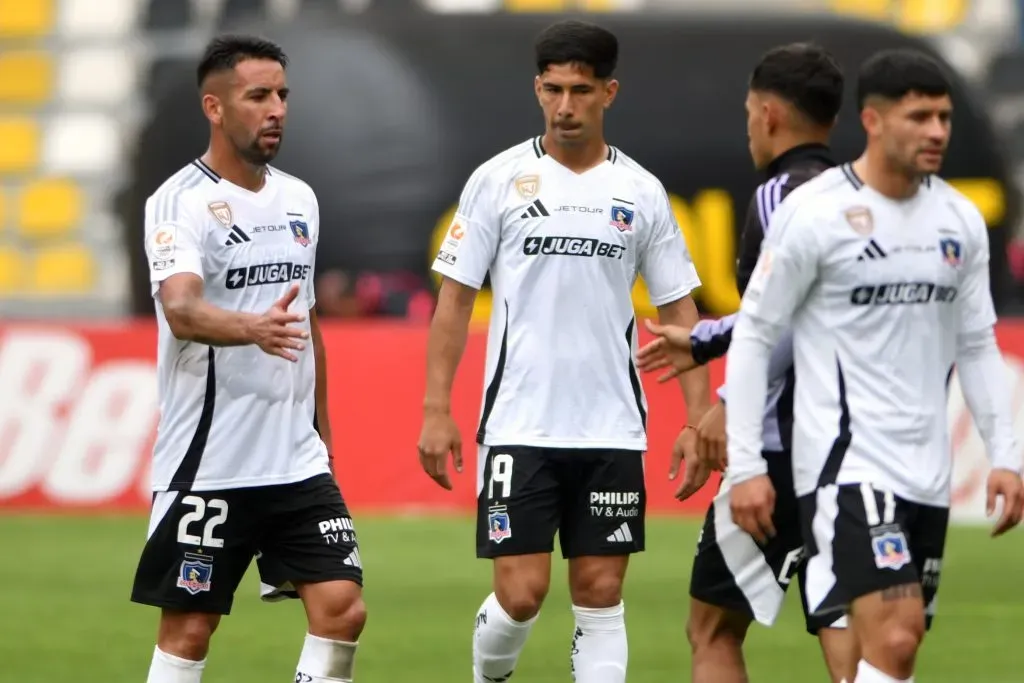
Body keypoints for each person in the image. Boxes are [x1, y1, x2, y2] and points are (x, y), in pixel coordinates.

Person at [415, 19, 711, 683]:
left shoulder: (641, 192)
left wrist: (697, 418)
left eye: (581, 90)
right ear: (537, 89)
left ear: (609, 92)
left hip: (611, 427)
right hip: (519, 424)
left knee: (601, 592)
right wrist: (436, 408)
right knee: (521, 594)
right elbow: (454, 301)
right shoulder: (498, 180)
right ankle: (489, 675)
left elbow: (678, 311)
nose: (566, 106)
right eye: (553, 90)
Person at [723, 48, 1024, 683]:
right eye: (919, 117)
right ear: (873, 121)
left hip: (928, 472)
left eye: (943, 117)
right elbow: (754, 336)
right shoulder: (816, 213)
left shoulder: (960, 219)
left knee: (879, 655)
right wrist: (746, 465)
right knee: (897, 634)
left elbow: (976, 343)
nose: (937, 131)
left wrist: (1006, 454)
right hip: (846, 466)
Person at [131, 35, 366, 683]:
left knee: (342, 610)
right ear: (214, 106)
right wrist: (251, 328)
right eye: (258, 96)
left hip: (296, 460)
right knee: (188, 629)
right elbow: (182, 309)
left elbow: (307, 323)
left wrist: (322, 436)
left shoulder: (299, 199)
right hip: (210, 461)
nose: (277, 109)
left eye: (282, 95)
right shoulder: (179, 202)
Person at [638, 43, 858, 683]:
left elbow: (780, 317)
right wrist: (708, 339)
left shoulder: (782, 196)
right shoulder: (860, 200)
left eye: (747, 114)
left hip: (783, 444)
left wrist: (731, 400)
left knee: (712, 629)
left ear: (767, 114)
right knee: (844, 619)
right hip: (859, 447)